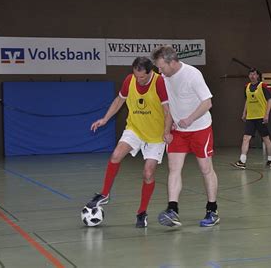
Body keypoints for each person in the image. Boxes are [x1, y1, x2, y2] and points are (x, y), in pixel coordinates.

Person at [85, 56, 172, 228]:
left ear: (150, 72)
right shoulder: (129, 80)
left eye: (142, 77)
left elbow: (167, 110)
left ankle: (141, 212)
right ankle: (104, 194)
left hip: (156, 135)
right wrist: (105, 119)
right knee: (116, 155)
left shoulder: (159, 82)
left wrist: (167, 132)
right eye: (135, 75)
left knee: (148, 173)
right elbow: (119, 101)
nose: (138, 80)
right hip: (135, 128)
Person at [151, 45, 220, 227]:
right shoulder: (165, 77)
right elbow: (169, 105)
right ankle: (173, 210)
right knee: (174, 169)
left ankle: (212, 210)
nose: (159, 71)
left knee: (206, 169)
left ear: (172, 62)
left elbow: (207, 103)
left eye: (161, 67)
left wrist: (189, 119)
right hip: (178, 131)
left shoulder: (193, 75)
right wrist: (167, 129)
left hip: (200, 128)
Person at [231, 68, 271, 169]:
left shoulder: (262, 86)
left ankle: (270, 160)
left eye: (254, 74)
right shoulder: (246, 87)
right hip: (251, 117)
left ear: (257, 76)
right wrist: (244, 112)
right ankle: (242, 161)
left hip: (261, 117)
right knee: (246, 138)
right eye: (250, 74)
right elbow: (247, 100)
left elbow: (269, 101)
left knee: (266, 139)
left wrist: (267, 114)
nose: (252, 76)